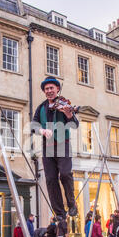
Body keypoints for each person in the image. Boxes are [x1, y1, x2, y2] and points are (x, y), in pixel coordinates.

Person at [31, 76, 79, 220]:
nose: (49, 91)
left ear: (57, 89)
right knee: (51, 180)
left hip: (63, 144)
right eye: (47, 89)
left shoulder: (64, 105)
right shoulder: (41, 108)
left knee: (65, 174)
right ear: (44, 92)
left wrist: (69, 114)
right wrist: (43, 131)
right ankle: (59, 212)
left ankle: (71, 204)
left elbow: (75, 125)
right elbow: (33, 125)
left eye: (52, 88)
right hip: (48, 147)